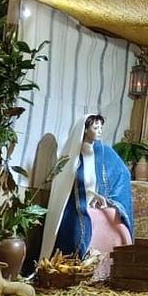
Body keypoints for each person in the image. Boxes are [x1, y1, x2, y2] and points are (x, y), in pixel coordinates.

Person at [51, 113, 134, 281]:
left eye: (101, 127)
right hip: (76, 203)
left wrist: (105, 197)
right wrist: (87, 196)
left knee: (113, 217)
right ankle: (79, 266)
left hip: (98, 202)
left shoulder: (104, 151)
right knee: (77, 224)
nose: (99, 131)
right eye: (95, 128)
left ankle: (112, 270)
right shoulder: (73, 154)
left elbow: (122, 173)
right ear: (85, 130)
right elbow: (67, 184)